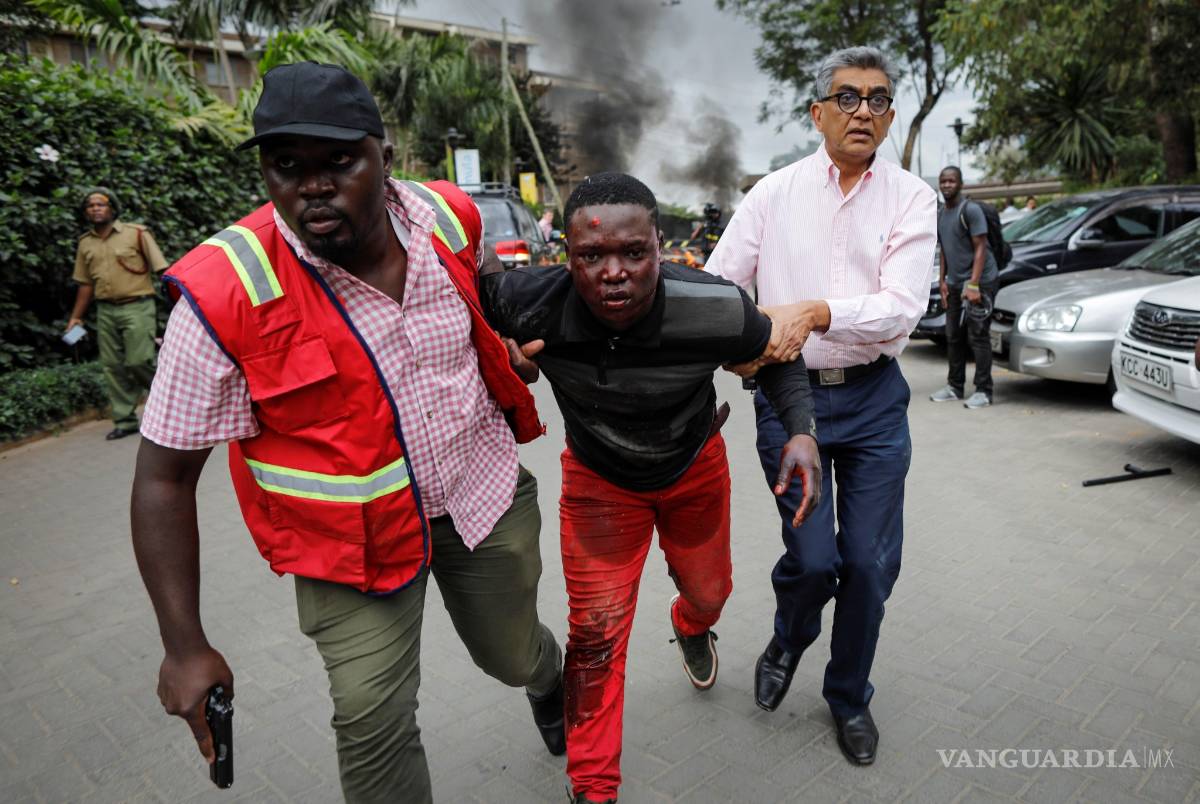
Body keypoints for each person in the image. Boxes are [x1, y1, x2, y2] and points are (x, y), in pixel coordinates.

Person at [129, 62, 564, 804]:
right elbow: (162, 479)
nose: (312, 186)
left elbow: (485, 301)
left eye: (338, 161)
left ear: (384, 160)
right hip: (347, 546)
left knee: (513, 655)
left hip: (479, 497)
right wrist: (184, 645)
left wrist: (505, 345)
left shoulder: (448, 218)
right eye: (286, 166)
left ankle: (547, 682)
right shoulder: (225, 290)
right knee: (371, 717)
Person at [481, 172, 821, 804]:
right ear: (566, 255)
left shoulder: (714, 305)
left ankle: (692, 625)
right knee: (595, 636)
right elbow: (443, 307)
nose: (614, 272)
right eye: (592, 256)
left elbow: (778, 357)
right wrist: (497, 352)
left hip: (693, 471)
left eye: (633, 253)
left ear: (660, 248)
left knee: (711, 592)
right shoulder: (528, 301)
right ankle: (593, 787)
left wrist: (801, 430)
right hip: (598, 485)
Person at [705, 46, 936, 766]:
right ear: (818, 112)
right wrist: (735, 337)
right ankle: (789, 636)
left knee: (867, 565)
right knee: (812, 563)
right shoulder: (771, 195)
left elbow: (901, 310)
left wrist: (813, 310)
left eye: (877, 100)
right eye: (847, 97)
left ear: (891, 117)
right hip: (788, 400)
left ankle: (847, 696)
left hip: (872, 401)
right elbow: (719, 288)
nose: (863, 110)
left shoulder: (912, 199)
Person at [67, 188, 168, 439]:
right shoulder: (85, 243)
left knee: (139, 360)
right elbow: (85, 284)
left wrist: (182, 302)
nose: (95, 208)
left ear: (112, 208)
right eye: (90, 205)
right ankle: (125, 421)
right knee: (112, 366)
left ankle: (170, 402)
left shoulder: (136, 234)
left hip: (138, 305)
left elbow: (162, 270)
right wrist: (75, 317)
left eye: (101, 204)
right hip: (105, 310)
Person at [930, 165, 998, 409]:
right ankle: (954, 386)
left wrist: (974, 284)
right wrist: (943, 281)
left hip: (980, 281)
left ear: (960, 183)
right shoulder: (940, 214)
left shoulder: (970, 210)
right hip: (955, 283)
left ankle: (984, 390)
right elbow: (945, 249)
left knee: (978, 335)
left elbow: (981, 247)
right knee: (953, 335)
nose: (947, 185)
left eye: (951, 181)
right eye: (943, 181)